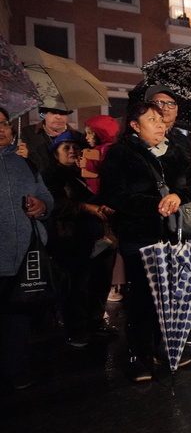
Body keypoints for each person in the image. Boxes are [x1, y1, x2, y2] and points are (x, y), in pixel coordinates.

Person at [100, 102, 191, 381]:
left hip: (172, 234)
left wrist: (179, 196)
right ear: (135, 125)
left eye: (162, 119)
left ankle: (163, 347)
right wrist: (155, 204)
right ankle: (137, 355)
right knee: (143, 296)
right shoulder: (120, 153)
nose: (160, 124)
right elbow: (114, 195)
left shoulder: (176, 152)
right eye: (152, 119)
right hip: (139, 234)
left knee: (169, 293)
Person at [42, 132, 118, 347]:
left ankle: (95, 323)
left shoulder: (88, 173)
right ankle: (75, 329)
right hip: (70, 239)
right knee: (75, 286)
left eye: (76, 147)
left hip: (100, 239)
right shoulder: (51, 175)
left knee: (100, 282)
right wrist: (84, 207)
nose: (73, 151)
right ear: (55, 153)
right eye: (66, 147)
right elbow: (53, 204)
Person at [0, 107, 54, 389]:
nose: (1, 129)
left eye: (4, 123)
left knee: (18, 316)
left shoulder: (26, 163)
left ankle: (13, 370)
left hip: (23, 255)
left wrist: (42, 206)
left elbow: (45, 195)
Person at [22, 107, 84, 172]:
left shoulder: (79, 137)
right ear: (43, 114)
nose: (58, 117)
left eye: (63, 113)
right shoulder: (27, 134)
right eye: (53, 112)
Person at [144, 84, 191, 160]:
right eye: (159, 102)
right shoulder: (138, 138)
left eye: (171, 104)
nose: (165, 108)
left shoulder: (183, 142)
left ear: (177, 110)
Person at [79, 115, 119, 194]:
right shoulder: (99, 149)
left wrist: (87, 163)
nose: (87, 137)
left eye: (90, 133)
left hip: (106, 192)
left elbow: (105, 166)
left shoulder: (107, 149)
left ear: (100, 133)